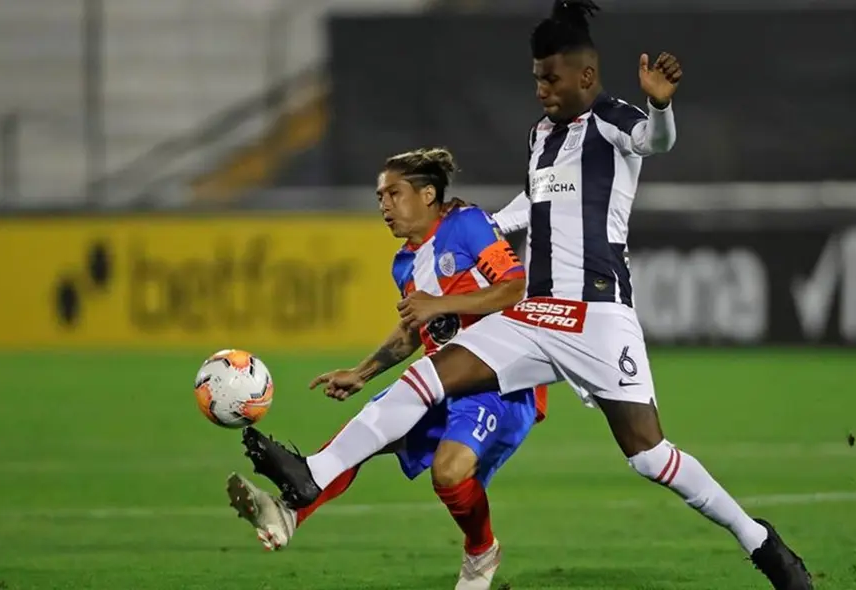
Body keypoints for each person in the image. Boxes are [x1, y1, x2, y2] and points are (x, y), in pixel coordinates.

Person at [240, 2, 814, 588]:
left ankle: (759, 540)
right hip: (535, 315)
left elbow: (656, 143)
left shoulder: (615, 120)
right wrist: (474, 226)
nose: (540, 88)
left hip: (597, 315)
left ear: (585, 76)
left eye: (551, 78)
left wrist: (660, 104)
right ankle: (313, 473)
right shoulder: (541, 136)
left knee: (649, 456)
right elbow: (531, 206)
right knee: (428, 378)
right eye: (537, 76)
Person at [229, 147, 548, 590]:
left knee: (449, 474)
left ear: (428, 194)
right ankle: (289, 513)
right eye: (380, 196)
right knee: (364, 438)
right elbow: (414, 332)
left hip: (498, 380)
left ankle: (481, 550)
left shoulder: (467, 224)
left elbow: (514, 288)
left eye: (393, 194)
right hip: (439, 381)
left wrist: (440, 303)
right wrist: (362, 372)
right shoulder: (404, 263)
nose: (383, 205)